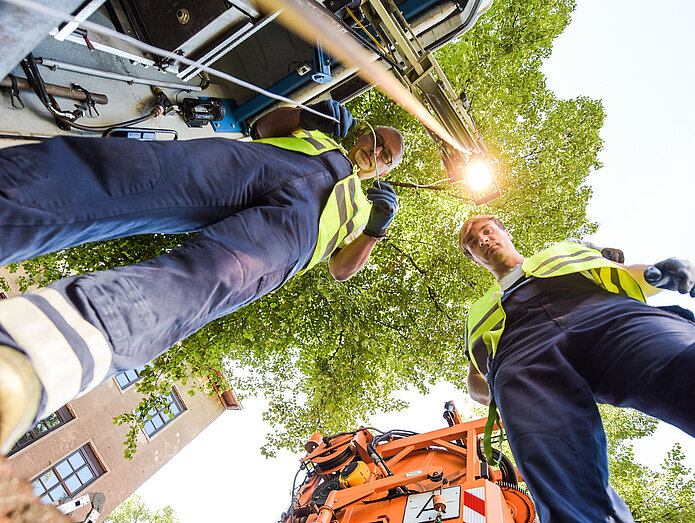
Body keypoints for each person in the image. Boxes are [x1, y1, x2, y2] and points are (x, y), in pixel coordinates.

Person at [0, 100, 404, 453]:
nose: (376, 151)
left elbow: (341, 269)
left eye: (386, 155)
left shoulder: (362, 210)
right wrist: (306, 115)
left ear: (386, 169)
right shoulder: (322, 136)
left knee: (213, 277)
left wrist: (374, 230)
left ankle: (42, 350)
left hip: (295, 230)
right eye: (376, 138)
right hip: (256, 164)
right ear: (362, 134)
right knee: (146, 172)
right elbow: (263, 127)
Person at [460, 214, 695, 523]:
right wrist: (501, 386)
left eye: (487, 231)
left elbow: (622, 274)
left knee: (681, 362)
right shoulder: (478, 313)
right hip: (520, 355)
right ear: (476, 259)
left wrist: (656, 275)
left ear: (505, 231)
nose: (483, 241)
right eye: (474, 243)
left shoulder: (562, 252)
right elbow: (475, 380)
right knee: (555, 467)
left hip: (601, 312)